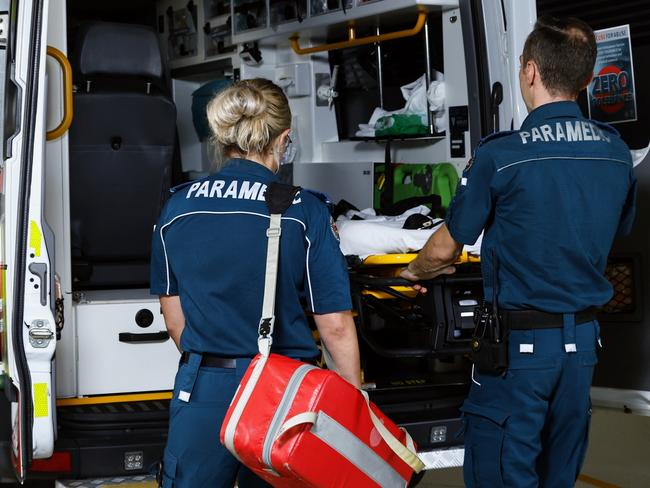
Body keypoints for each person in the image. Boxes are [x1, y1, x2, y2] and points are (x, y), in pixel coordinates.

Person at [401, 16, 637, 488]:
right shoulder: (616, 153)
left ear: (529, 72)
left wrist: (414, 270)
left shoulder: (502, 154)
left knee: (502, 470)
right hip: (583, 349)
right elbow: (612, 231)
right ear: (587, 78)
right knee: (559, 473)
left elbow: (449, 243)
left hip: (520, 352)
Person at [150, 78, 361, 488]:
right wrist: (352, 406)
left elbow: (176, 322)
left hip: (203, 386)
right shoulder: (305, 211)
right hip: (284, 392)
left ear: (221, 137)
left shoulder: (176, 207)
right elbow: (334, 325)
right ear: (283, 138)